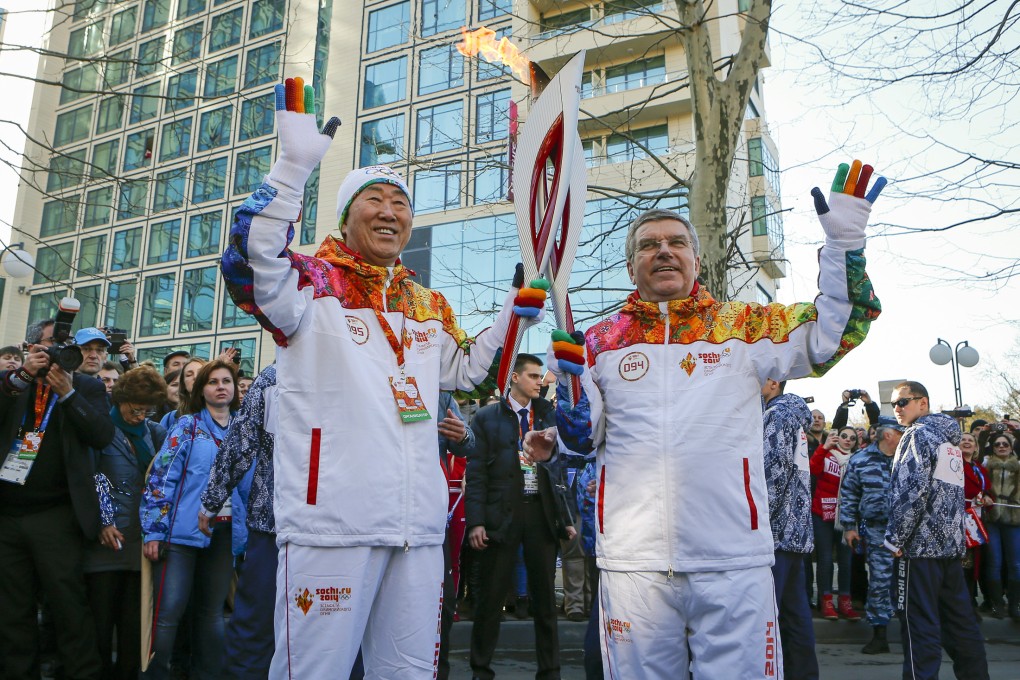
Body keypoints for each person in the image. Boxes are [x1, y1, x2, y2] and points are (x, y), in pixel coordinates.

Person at [219, 78, 546, 679]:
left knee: (409, 672)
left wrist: (511, 313)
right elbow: (248, 262)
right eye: (374, 199)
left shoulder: (427, 304)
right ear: (347, 217)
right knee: (311, 672)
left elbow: (472, 374)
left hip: (416, 527)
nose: (390, 212)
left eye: (400, 204)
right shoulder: (309, 284)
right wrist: (292, 171)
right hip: (330, 524)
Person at [547, 161, 885, 678]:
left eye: (677, 242)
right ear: (631, 265)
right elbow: (580, 438)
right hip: (634, 566)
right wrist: (569, 386)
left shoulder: (745, 328)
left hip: (733, 558)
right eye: (648, 245)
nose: (663, 250)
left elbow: (834, 333)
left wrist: (843, 247)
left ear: (696, 259)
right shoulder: (597, 342)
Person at [0, 323, 114, 679]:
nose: (57, 351)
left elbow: (101, 435)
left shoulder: (87, 386)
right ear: (32, 347)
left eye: (65, 345)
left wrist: (68, 394)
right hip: (7, 515)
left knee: (68, 607)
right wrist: (19, 378)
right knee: (11, 611)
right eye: (52, 344)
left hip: (57, 515)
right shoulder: (10, 384)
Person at [466, 354, 573, 680]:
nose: (538, 381)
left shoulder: (546, 416)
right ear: (514, 378)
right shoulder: (486, 417)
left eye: (540, 376)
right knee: (490, 600)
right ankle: (481, 671)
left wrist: (564, 517)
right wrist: (476, 521)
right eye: (532, 375)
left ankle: (550, 672)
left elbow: (557, 470)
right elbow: (476, 472)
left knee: (545, 604)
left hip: (540, 515)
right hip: (502, 514)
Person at [140, 360, 242, 679]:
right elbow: (160, 479)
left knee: (212, 614)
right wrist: (154, 531)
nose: (221, 386)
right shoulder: (187, 426)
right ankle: (155, 674)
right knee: (169, 613)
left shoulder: (244, 429)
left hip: (225, 534)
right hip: (180, 535)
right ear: (201, 390)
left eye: (227, 380)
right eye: (213, 382)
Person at [884, 381, 989, 679]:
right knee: (961, 626)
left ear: (923, 404)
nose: (897, 409)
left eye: (903, 402)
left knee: (919, 628)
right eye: (894, 404)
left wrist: (894, 540)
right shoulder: (950, 443)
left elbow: (911, 493)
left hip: (918, 551)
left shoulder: (917, 435)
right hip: (949, 551)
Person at [86, 366, 168, 679]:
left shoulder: (154, 432)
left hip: (140, 542)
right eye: (136, 409)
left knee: (134, 627)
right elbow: (93, 475)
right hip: (105, 542)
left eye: (148, 410)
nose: (141, 416)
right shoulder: (101, 427)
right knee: (100, 625)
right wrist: (104, 521)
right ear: (121, 400)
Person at [199, 364, 278, 679]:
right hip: (282, 519)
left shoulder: (276, 375)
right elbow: (241, 442)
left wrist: (209, 502)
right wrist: (212, 499)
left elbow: (241, 442)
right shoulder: (275, 378)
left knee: (256, 626)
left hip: (280, 523)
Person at [760, 378, 818, 679]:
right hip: (793, 535)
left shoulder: (777, 415)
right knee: (796, 619)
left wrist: (755, 526)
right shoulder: (791, 416)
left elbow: (772, 476)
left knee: (768, 621)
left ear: (771, 382)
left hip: (775, 536)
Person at [838, 415, 905, 654]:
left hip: (908, 531)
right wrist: (849, 527)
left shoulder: (909, 458)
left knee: (912, 582)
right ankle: (880, 634)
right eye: (900, 433)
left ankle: (914, 632)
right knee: (880, 581)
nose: (904, 437)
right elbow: (849, 495)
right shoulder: (861, 459)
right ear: (889, 434)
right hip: (878, 531)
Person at [810, 426, 862, 620]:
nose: (847, 440)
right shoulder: (826, 454)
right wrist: (824, 447)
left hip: (847, 517)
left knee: (846, 560)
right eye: (844, 436)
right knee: (825, 558)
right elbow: (812, 469)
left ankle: (845, 601)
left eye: (852, 438)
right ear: (837, 438)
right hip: (822, 514)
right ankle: (826, 600)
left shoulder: (857, 460)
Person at [982, 431, 1019, 621]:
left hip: (1014, 518)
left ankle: (1015, 604)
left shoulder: (1018, 466)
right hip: (992, 517)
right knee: (994, 562)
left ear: (1011, 447)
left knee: (1016, 563)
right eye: (998, 444)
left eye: (1005, 444)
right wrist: (985, 496)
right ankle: (997, 604)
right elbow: (980, 485)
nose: (1002, 447)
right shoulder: (987, 465)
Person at [960, 431, 993, 618]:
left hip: (977, 521)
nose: (966, 443)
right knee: (963, 565)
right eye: (962, 440)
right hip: (959, 520)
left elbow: (987, 490)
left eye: (970, 440)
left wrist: (987, 497)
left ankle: (970, 601)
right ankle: (963, 605)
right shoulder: (953, 466)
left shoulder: (980, 468)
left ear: (976, 446)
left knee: (973, 564)